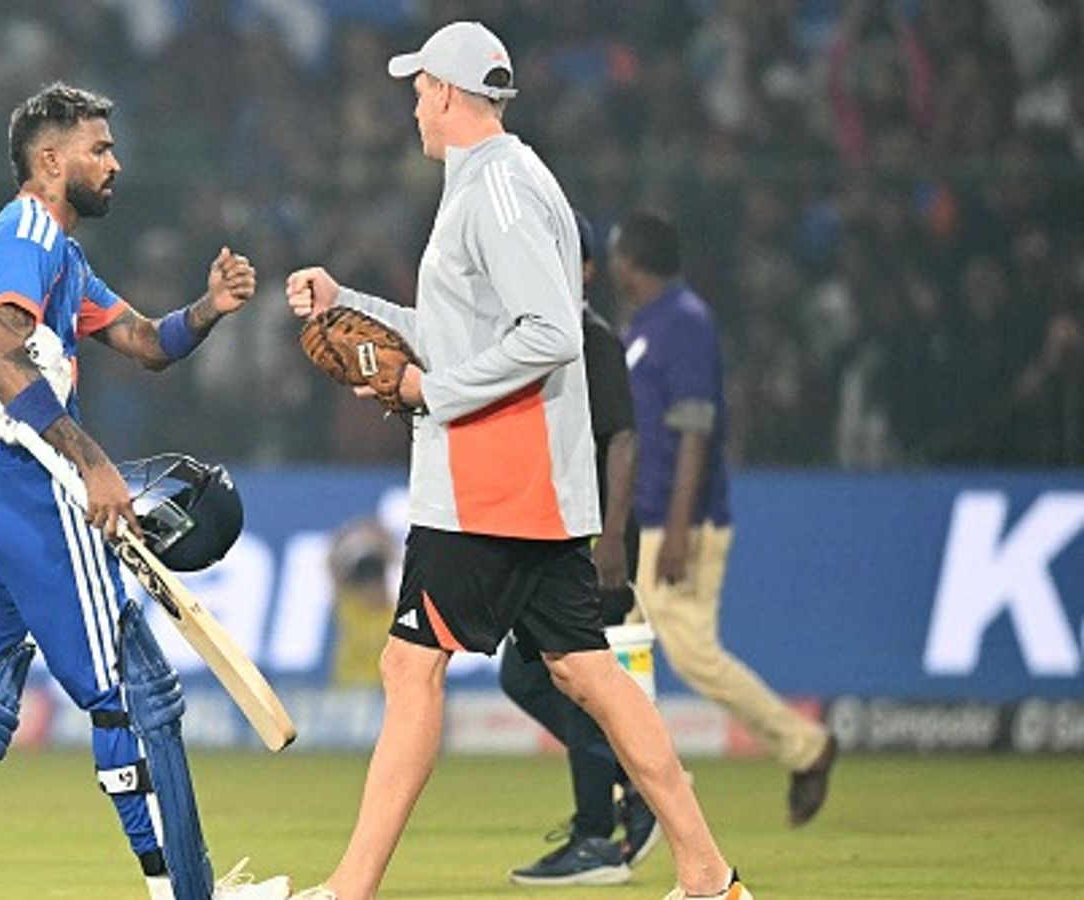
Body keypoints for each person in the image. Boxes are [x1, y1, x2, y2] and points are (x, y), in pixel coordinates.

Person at [283, 22, 751, 900]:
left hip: (490, 483)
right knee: (587, 672)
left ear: (452, 95)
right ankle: (707, 872)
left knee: (410, 666)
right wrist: (350, 300)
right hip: (518, 480)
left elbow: (550, 332)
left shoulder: (496, 190)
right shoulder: (496, 183)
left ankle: (349, 891)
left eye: (421, 88)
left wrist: (431, 393)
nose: (414, 103)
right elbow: (465, 336)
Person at [0, 82, 289, 900]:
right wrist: (89, 463)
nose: (114, 164)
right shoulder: (29, 234)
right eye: (98, 149)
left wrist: (210, 309)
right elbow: (4, 360)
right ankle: (189, 894)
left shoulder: (58, 252)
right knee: (132, 690)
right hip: (28, 483)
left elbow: (145, 342)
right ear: (50, 160)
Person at [609, 210, 838, 827]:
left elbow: (694, 430)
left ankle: (807, 747)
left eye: (617, 256)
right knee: (614, 650)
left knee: (693, 656)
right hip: (643, 522)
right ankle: (636, 785)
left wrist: (680, 526)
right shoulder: (646, 326)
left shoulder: (684, 323)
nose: (612, 267)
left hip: (679, 524)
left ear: (633, 261)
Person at [498, 211, 657, 886]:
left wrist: (612, 540)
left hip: (593, 540)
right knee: (529, 674)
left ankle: (597, 835)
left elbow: (621, 439)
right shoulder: (540, 339)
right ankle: (637, 783)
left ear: (587, 270)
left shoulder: (592, 341)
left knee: (576, 680)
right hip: (553, 535)